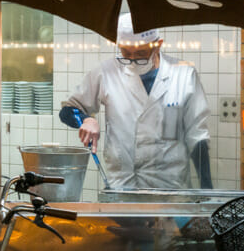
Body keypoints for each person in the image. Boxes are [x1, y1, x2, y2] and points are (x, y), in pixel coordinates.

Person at [58, 14, 212, 190]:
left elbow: (198, 137)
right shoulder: (107, 72)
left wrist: (206, 188)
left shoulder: (183, 75)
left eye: (140, 53)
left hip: (170, 184)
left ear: (158, 45)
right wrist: (86, 119)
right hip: (123, 182)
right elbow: (68, 110)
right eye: (126, 52)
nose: (132, 60)